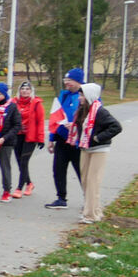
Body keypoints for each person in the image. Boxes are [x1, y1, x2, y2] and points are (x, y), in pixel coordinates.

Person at [68, 82, 122, 224]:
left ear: (89, 96)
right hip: (85, 148)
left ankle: (90, 215)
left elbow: (116, 127)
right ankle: (95, 210)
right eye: (79, 95)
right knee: (85, 180)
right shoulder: (82, 110)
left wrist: (98, 137)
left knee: (93, 181)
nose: (79, 98)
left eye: (81, 95)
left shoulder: (100, 111)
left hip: (99, 149)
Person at [45, 68, 85, 209]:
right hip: (62, 139)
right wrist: (51, 138)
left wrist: (76, 125)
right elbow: (56, 118)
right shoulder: (64, 96)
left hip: (78, 142)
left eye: (70, 80)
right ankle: (61, 198)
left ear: (78, 81)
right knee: (58, 169)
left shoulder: (86, 96)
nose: (67, 83)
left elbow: (92, 118)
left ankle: (89, 200)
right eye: (65, 80)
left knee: (82, 172)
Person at [12, 80, 45, 197]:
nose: (25, 91)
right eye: (23, 89)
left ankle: (19, 187)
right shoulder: (14, 102)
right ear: (19, 90)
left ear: (31, 91)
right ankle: (29, 183)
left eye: (27, 89)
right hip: (17, 135)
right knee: (19, 162)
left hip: (30, 136)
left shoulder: (36, 103)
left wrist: (41, 139)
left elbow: (40, 121)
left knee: (24, 161)